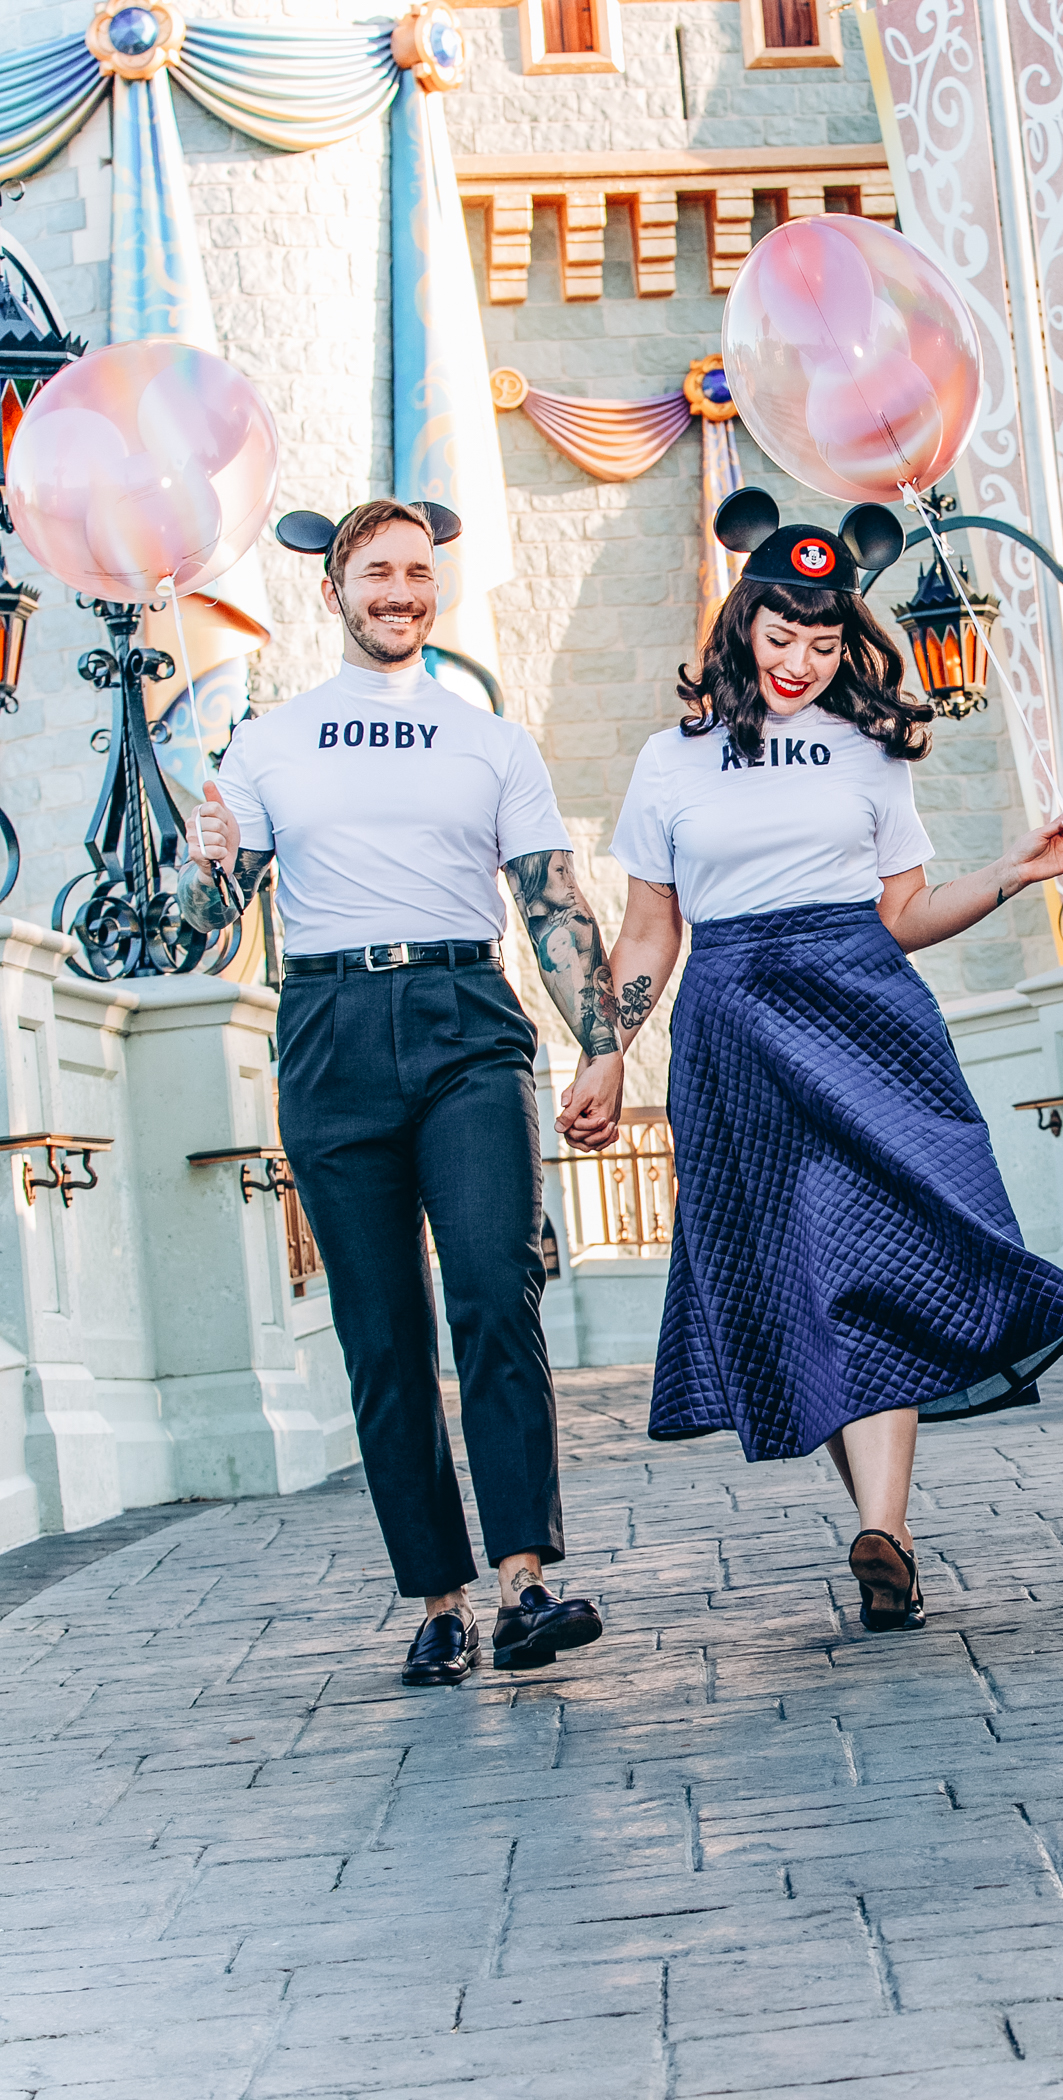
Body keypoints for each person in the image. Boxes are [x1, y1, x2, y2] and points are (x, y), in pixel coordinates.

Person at [602, 493, 1063, 1634]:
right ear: (740, 626)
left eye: (823, 643)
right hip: (733, 1029)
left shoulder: (871, 750)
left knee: (881, 1254)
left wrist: (1011, 874)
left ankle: (883, 1529)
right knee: (801, 1276)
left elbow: (902, 915)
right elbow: (647, 933)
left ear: (848, 641)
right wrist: (605, 1051)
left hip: (864, 1016)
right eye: (779, 637)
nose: (798, 662)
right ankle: (888, 1535)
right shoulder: (669, 761)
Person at [178, 496, 622, 1684]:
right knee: (380, 1333)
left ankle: (526, 1581)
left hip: (465, 1020)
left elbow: (550, 903)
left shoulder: (490, 739)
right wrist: (207, 866)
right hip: (327, 1026)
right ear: (333, 591)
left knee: (491, 1288)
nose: (400, 592)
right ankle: (439, 1601)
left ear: (437, 588)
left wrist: (606, 1043)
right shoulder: (269, 740)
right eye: (377, 572)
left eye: (418, 573)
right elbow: (208, 920)